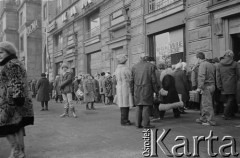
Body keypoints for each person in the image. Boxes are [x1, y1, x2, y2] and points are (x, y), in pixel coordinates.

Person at [0, 41, 34, 158]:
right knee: (17, 126)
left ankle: (16, 150)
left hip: (10, 102)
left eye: (1, 52)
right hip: (13, 100)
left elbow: (16, 82)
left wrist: (17, 99)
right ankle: (20, 152)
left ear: (9, 52)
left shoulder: (11, 64)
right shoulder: (12, 63)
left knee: (5, 126)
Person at [132, 55, 159, 128]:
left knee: (138, 106)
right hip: (147, 88)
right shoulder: (151, 66)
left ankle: (137, 123)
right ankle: (146, 124)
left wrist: (132, 91)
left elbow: (132, 80)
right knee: (146, 106)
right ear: (146, 59)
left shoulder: (134, 66)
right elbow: (153, 80)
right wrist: (156, 90)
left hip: (137, 89)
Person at [216, 50, 238, 120]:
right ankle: (226, 114)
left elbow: (218, 76)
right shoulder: (235, 64)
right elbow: (238, 74)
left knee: (229, 99)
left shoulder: (219, 64)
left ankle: (231, 113)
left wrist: (219, 85)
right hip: (232, 84)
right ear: (232, 56)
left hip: (223, 84)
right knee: (231, 99)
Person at [196, 52, 216, 126]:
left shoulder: (202, 65)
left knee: (207, 104)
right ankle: (203, 118)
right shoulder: (210, 64)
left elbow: (201, 76)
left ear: (198, 58)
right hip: (212, 85)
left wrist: (199, 87)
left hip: (206, 86)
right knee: (205, 103)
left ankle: (210, 121)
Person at [114, 54, 133, 126]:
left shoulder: (117, 69)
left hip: (119, 87)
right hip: (125, 87)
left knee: (122, 104)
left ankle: (123, 119)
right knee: (126, 104)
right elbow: (130, 78)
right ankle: (125, 120)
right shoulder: (126, 68)